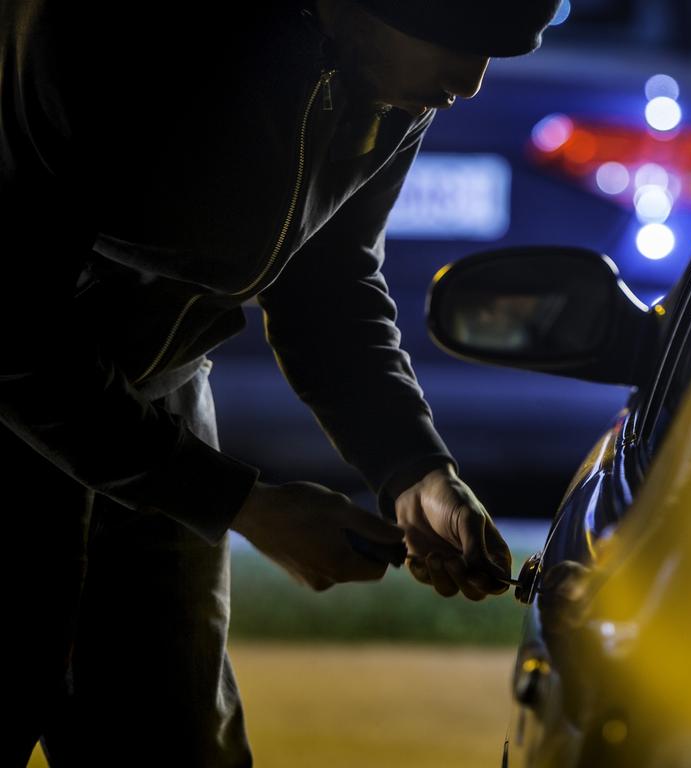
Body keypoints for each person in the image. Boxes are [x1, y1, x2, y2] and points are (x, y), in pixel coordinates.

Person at [0, 0, 560, 764]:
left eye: (499, 49)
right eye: (453, 41)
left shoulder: (391, 80)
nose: (470, 81)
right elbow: (13, 331)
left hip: (158, 410)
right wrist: (239, 503)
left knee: (174, 740)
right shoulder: (99, 33)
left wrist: (411, 468)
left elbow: (328, 282)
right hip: (18, 411)